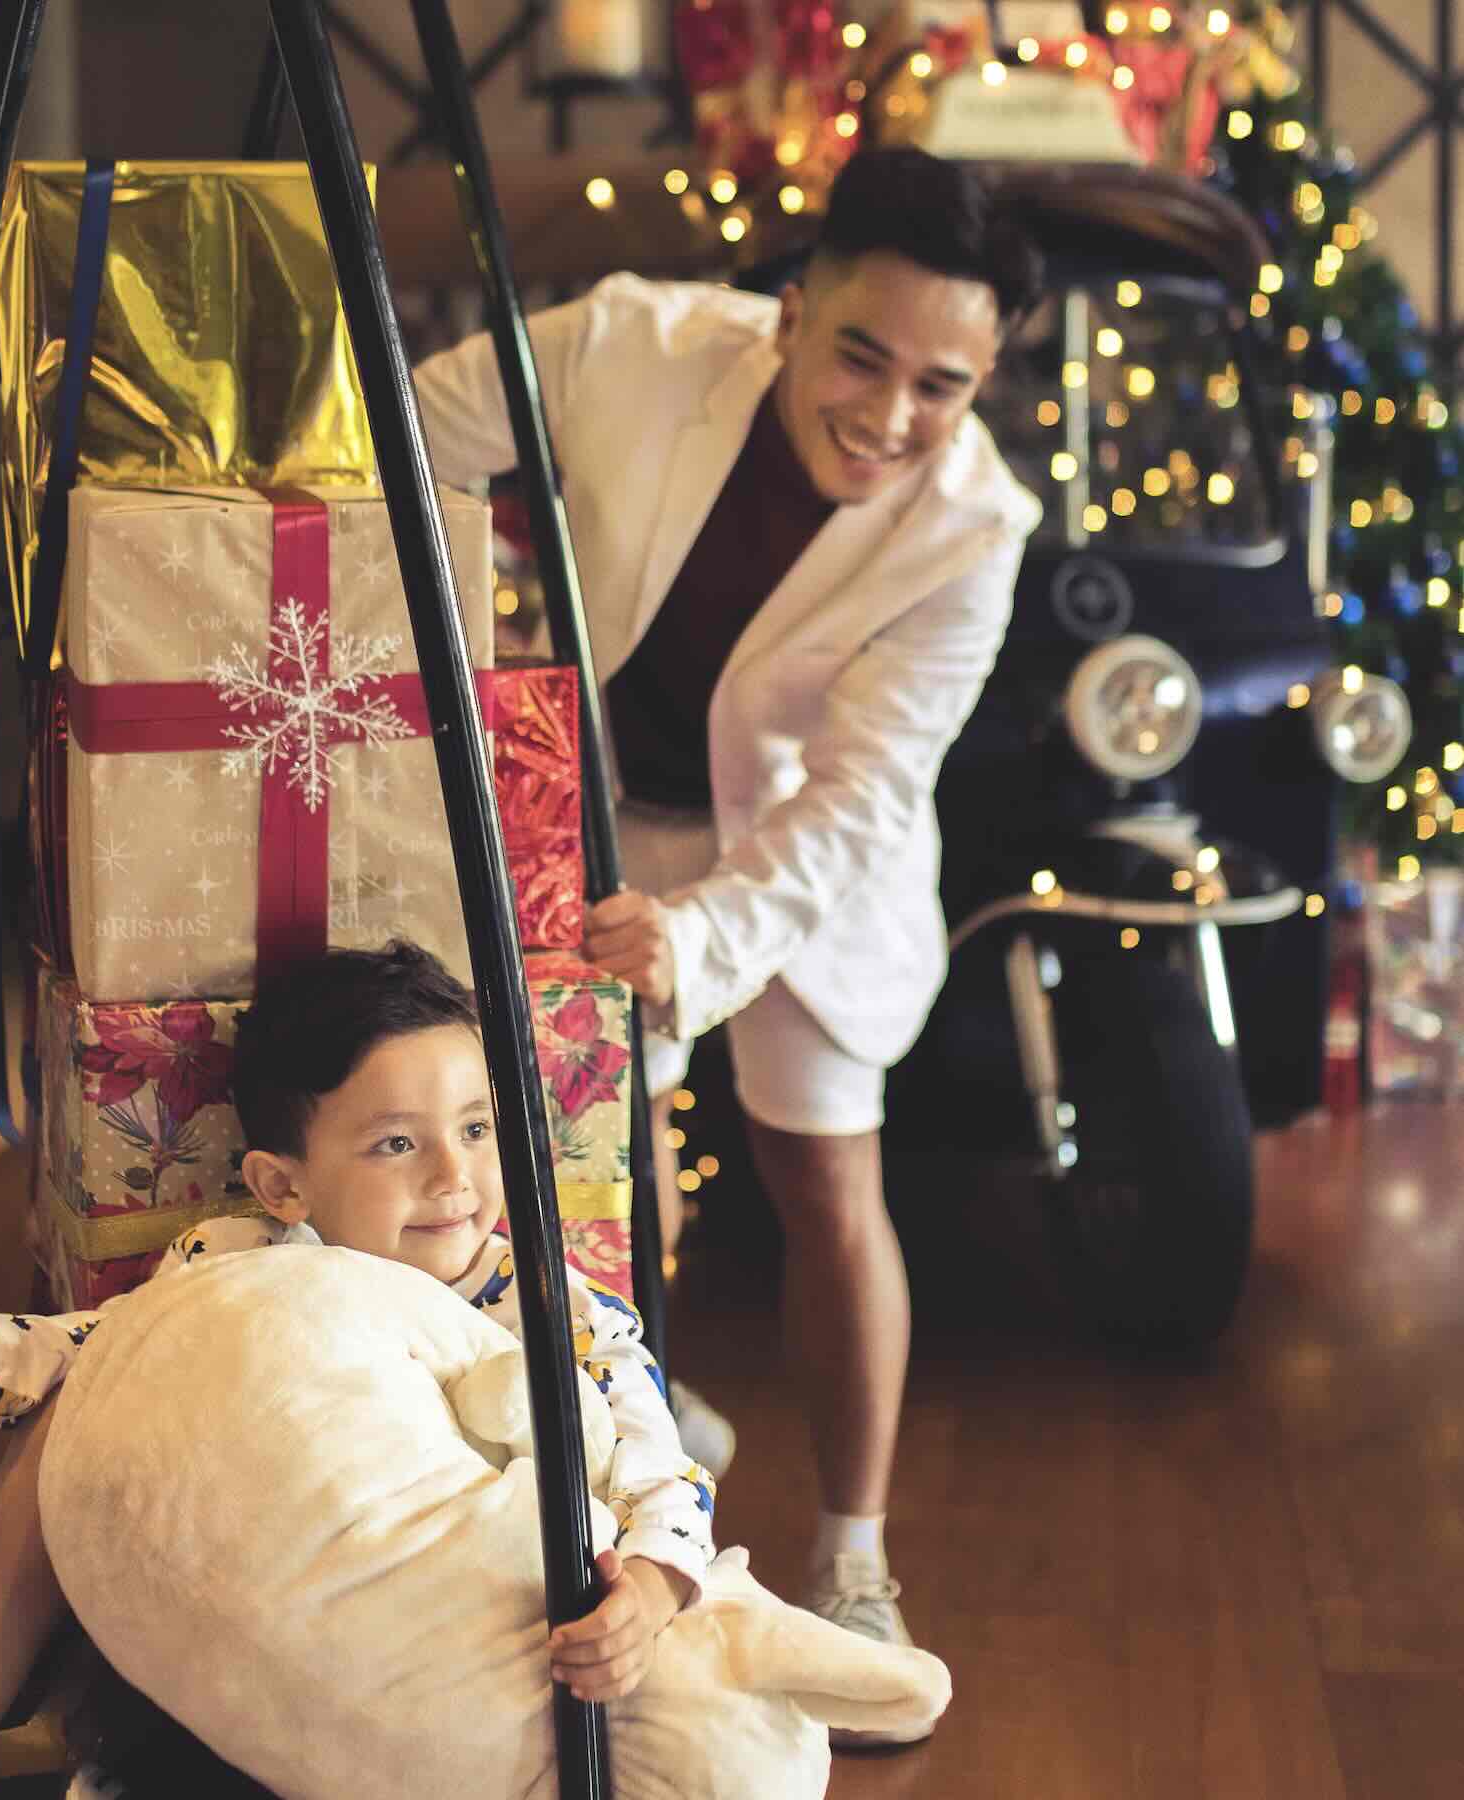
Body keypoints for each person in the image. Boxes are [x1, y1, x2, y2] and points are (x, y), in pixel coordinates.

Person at [412, 147, 1043, 1676]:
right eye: (861, 356)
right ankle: (648, 1423)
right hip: (598, 810)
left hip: (807, 861)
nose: (889, 417)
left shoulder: (976, 527)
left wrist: (705, 933)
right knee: (605, 1152)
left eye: (941, 386)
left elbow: (863, 789)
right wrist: (464, 654)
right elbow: (417, 418)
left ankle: (855, 1553)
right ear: (790, 310)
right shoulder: (630, 341)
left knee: (823, 1172)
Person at [0, 942, 717, 1800]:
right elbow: (84, 1353)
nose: (452, 1176)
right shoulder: (243, 1262)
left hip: (453, 1646)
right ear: (283, 1186)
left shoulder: (554, 1308)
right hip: (249, 1621)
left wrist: (649, 1595)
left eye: (475, 1129)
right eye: (396, 1143)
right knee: (77, 1408)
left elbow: (661, 1468)